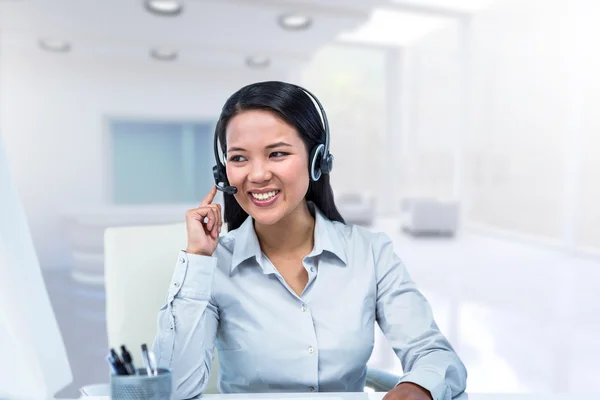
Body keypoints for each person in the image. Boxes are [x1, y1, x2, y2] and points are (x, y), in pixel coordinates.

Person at [152, 81, 467, 400]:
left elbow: (434, 354)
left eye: (277, 153)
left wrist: (417, 388)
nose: (257, 174)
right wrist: (197, 259)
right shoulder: (213, 265)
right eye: (239, 158)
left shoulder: (370, 253)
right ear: (223, 173)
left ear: (318, 160)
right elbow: (174, 390)